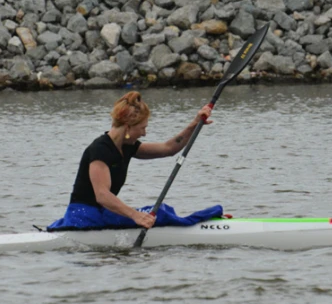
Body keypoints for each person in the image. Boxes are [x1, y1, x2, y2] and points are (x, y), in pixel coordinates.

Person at [47, 92, 223, 231]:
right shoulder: (99, 149)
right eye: (142, 128)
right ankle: (201, 221)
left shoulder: (127, 146)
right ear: (128, 127)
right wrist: (136, 216)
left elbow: (169, 148)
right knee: (159, 213)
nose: (144, 133)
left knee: (161, 210)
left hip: (101, 213)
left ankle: (204, 221)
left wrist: (194, 124)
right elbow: (102, 196)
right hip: (83, 215)